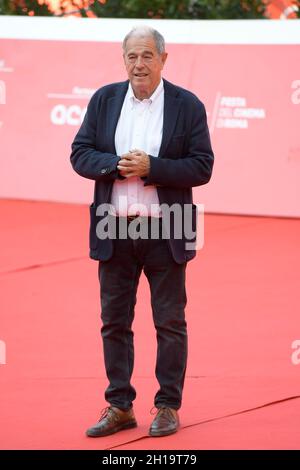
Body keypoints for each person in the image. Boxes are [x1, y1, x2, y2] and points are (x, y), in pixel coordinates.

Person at [70, 26, 214, 438]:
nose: (139, 64)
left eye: (147, 56)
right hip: (112, 225)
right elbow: (80, 153)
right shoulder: (104, 100)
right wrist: (115, 166)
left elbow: (202, 166)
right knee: (114, 321)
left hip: (169, 225)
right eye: (132, 56)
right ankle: (119, 405)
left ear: (163, 59)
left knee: (170, 322)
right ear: (123, 59)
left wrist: (153, 167)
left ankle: (168, 405)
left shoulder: (188, 105)